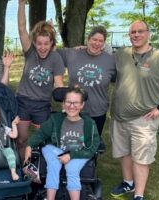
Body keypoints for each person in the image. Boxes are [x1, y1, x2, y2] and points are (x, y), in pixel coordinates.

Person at [110, 20, 159, 200]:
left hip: (143, 120)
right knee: (124, 152)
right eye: (133, 32)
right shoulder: (121, 54)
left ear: (149, 33)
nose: (136, 35)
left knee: (141, 158)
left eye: (140, 31)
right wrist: (81, 48)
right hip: (119, 117)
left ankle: (139, 195)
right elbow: (98, 54)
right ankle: (128, 182)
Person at [24, 87, 100, 200]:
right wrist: (29, 146)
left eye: (76, 102)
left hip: (79, 153)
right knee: (53, 165)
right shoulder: (56, 119)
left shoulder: (89, 123)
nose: (71, 106)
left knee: (72, 169)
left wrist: (71, 155)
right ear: (63, 103)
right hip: (57, 151)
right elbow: (40, 134)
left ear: (82, 105)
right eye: (68, 102)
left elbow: (92, 147)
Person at [16, 0, 65, 160]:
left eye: (46, 44)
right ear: (35, 43)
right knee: (22, 138)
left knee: (44, 140)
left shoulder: (56, 58)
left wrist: (66, 105)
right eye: (39, 44)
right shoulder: (30, 53)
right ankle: (23, 168)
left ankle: (40, 170)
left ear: (51, 44)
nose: (42, 47)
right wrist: (21, 4)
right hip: (23, 101)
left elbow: (59, 84)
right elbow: (22, 29)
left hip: (42, 104)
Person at [57, 25, 116, 150]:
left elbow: (120, 79)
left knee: (91, 146)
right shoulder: (73, 54)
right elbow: (50, 50)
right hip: (73, 109)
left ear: (104, 43)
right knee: (71, 142)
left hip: (97, 112)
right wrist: (49, 30)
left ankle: (90, 167)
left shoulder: (110, 61)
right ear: (88, 39)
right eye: (94, 39)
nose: (97, 43)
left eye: (101, 41)